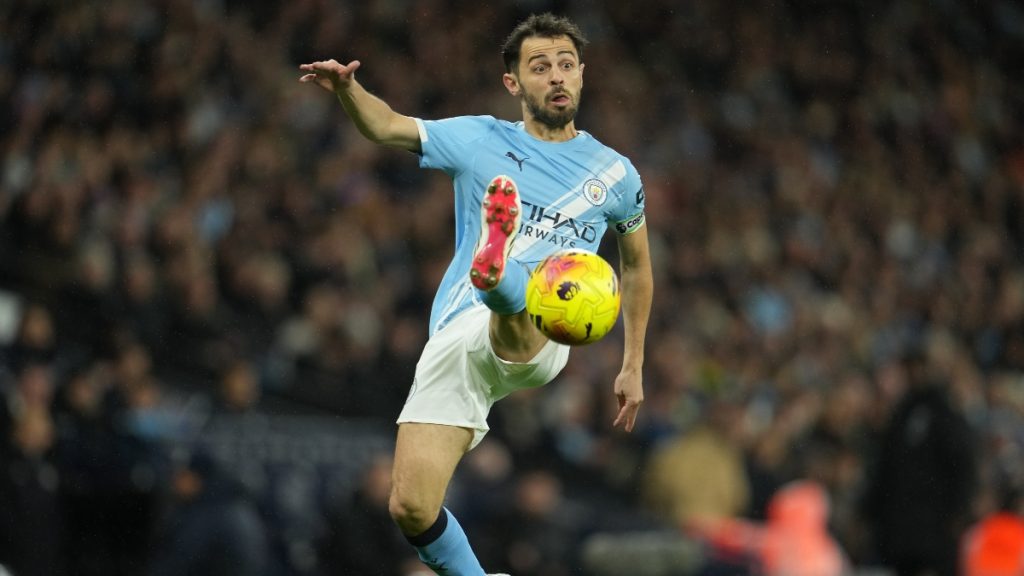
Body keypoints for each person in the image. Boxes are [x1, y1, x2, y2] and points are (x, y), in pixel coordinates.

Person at [299, 12, 652, 575]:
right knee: (411, 506)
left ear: (582, 73)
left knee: (527, 301)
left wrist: (632, 364)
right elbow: (387, 126)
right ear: (514, 82)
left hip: (548, 326)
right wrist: (347, 89)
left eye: (566, 64)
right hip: (457, 333)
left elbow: (635, 267)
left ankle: (498, 274)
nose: (556, 76)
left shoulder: (616, 175)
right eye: (540, 67)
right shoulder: (477, 138)